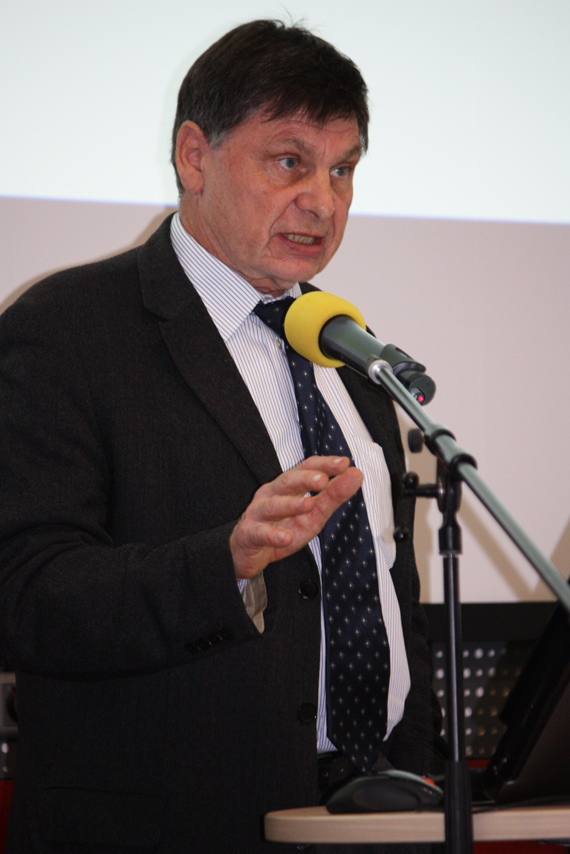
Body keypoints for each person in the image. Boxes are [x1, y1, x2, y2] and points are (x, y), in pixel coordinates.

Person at [0, 19, 443, 854]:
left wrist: (412, 779)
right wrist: (225, 564)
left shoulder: (349, 352)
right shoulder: (66, 330)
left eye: (342, 168)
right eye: (289, 161)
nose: (324, 201)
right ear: (194, 156)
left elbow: (391, 600)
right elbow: (22, 594)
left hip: (373, 819)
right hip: (169, 825)